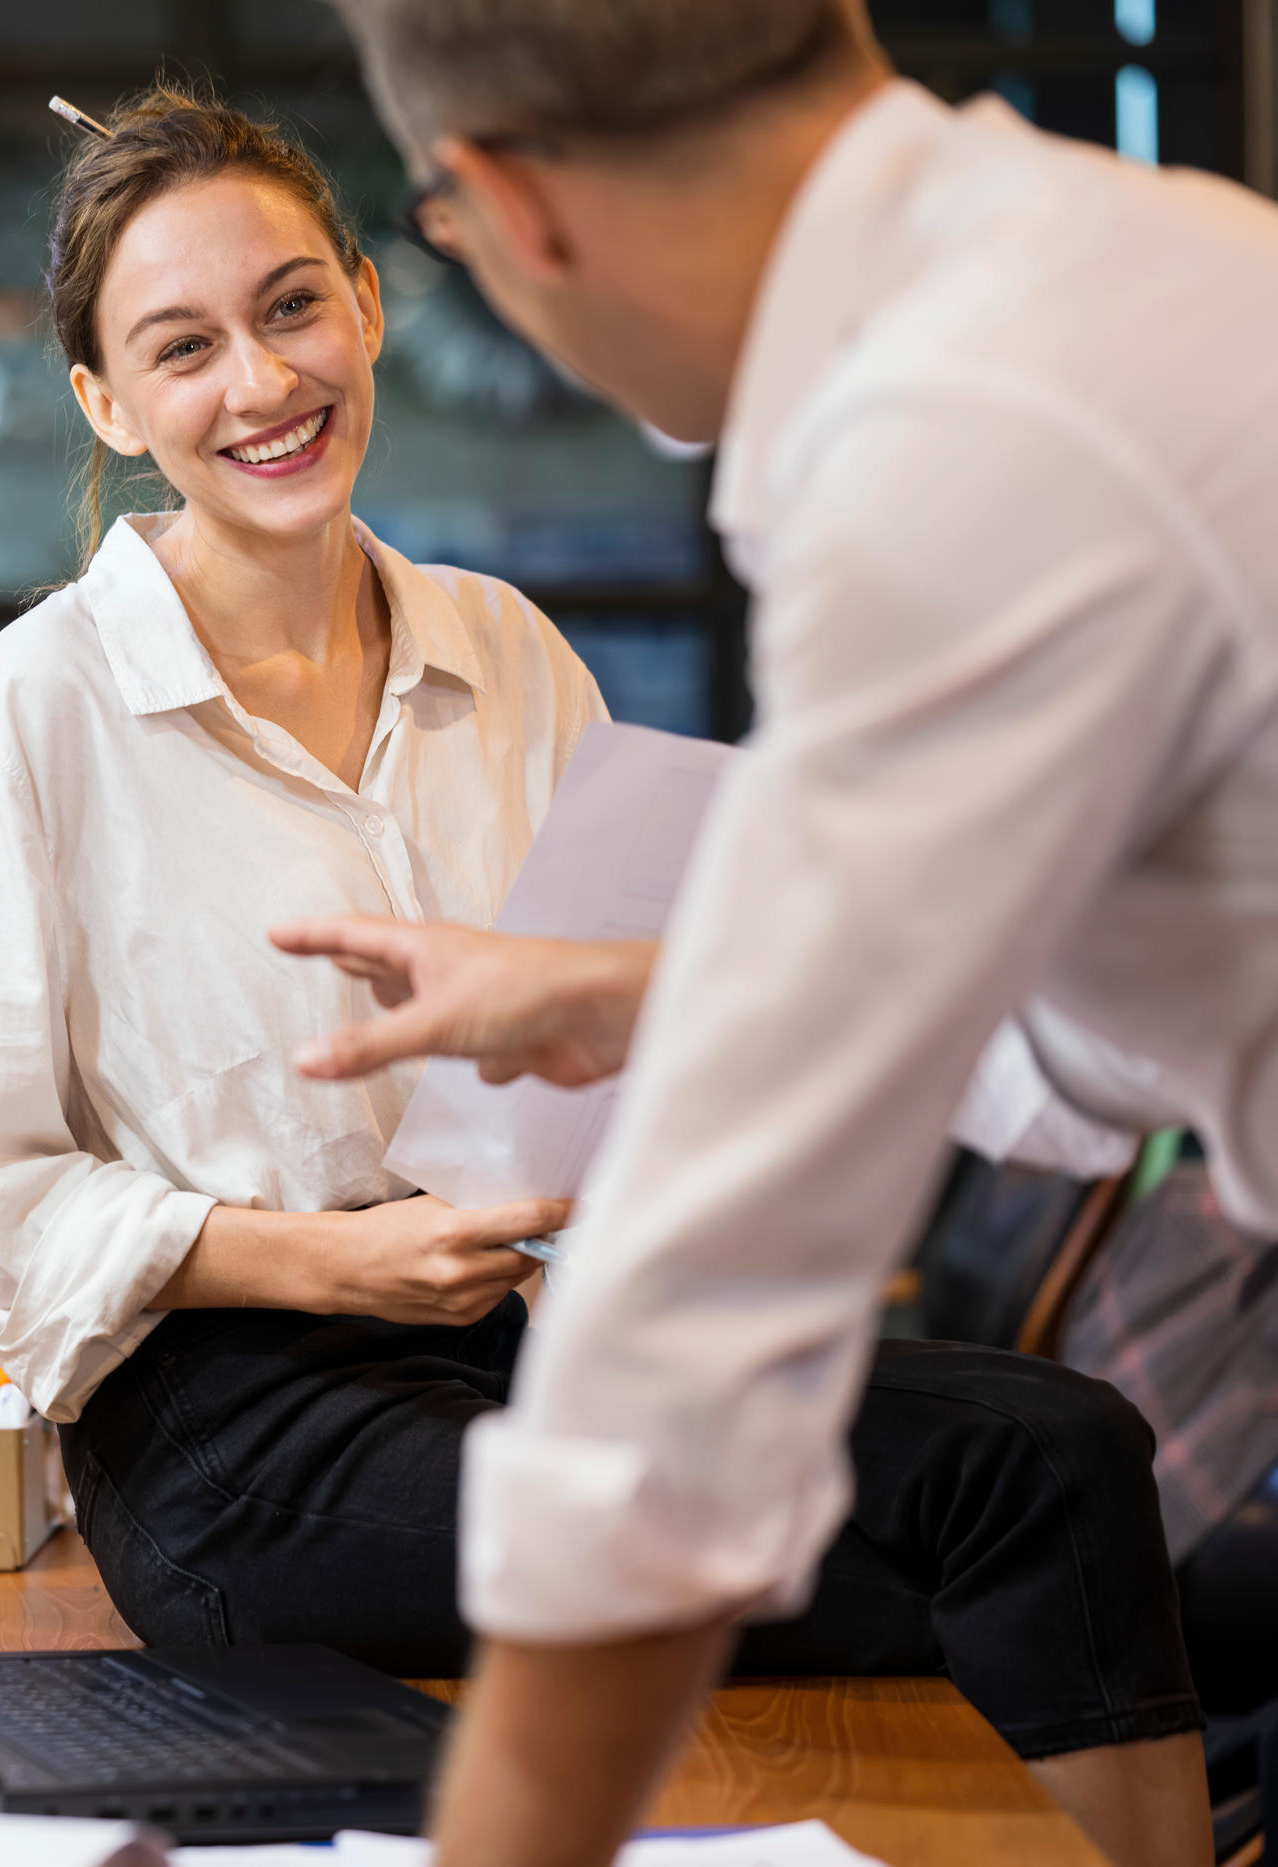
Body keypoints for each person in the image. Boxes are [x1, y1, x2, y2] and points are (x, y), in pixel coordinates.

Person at [0, 88, 1201, 1867]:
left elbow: (626, 1035)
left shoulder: (502, 646)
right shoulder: (41, 707)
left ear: (363, 298)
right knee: (1004, 1555)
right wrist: (330, 1260)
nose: (262, 386)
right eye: (181, 348)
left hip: (536, 1342)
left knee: (1053, 1450)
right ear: (107, 406)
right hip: (238, 1425)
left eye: (290, 307)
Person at [271, 0, 1278, 1860]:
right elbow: (1140, 1009)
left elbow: (706, 1327)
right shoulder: (1145, 261)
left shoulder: (953, 441)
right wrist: (654, 995)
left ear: (502, 204)